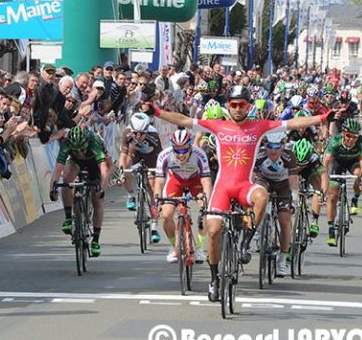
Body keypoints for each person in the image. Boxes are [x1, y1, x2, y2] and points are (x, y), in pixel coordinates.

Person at [142, 85, 338, 302]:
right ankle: (215, 279)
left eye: (241, 104)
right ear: (228, 106)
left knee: (262, 195)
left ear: (248, 106)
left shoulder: (260, 126)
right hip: (222, 188)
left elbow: (292, 123)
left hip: (245, 185)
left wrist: (322, 118)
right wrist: (157, 112)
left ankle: (246, 240)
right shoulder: (218, 126)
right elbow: (185, 120)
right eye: (233, 104)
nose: (237, 108)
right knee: (214, 231)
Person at [50, 126, 111, 257]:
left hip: (94, 162)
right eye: (75, 150)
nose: (79, 152)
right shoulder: (67, 143)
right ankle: (68, 218)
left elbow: (104, 170)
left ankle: (95, 240)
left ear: (86, 143)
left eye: (82, 149)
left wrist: (102, 188)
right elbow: (57, 169)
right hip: (76, 163)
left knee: (97, 199)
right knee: (67, 178)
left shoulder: (94, 142)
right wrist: (52, 188)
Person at [154, 129, 213, 264]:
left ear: (190, 146)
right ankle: (173, 247)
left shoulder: (199, 154)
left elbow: (206, 181)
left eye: (184, 150)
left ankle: (199, 248)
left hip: (195, 181)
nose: (180, 155)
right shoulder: (164, 155)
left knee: (205, 211)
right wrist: (157, 199)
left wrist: (207, 202)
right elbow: (159, 180)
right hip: (176, 181)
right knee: (167, 215)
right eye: (177, 150)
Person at [253, 132, 298, 277]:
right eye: (269, 146)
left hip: (283, 187)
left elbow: (293, 180)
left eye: (276, 147)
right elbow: (251, 176)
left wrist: (294, 199)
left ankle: (282, 259)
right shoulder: (258, 155)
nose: (273, 151)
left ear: (282, 146)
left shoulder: (289, 156)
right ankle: (256, 229)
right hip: (264, 182)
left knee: (285, 221)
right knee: (259, 195)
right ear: (264, 146)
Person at [323, 118, 362, 246]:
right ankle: (331, 230)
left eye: (355, 137)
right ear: (343, 133)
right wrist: (324, 182)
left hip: (353, 162)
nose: (351, 139)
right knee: (332, 195)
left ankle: (355, 199)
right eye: (348, 136)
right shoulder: (335, 141)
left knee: (359, 175)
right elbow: (326, 164)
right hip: (337, 163)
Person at [119, 112, 163, 242]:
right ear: (131, 129)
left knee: (153, 189)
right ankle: (130, 195)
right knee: (126, 163)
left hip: (151, 157)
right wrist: (122, 172)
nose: (138, 136)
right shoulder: (126, 133)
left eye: (142, 133)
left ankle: (154, 227)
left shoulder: (153, 135)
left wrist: (157, 174)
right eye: (135, 133)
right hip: (135, 154)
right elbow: (122, 155)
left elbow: (159, 159)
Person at [292, 137, 328, 237]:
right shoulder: (288, 153)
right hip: (292, 171)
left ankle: (314, 220)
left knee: (317, 185)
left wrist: (323, 193)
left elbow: (323, 176)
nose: (300, 166)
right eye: (298, 163)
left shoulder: (314, 157)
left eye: (302, 164)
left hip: (309, 171)